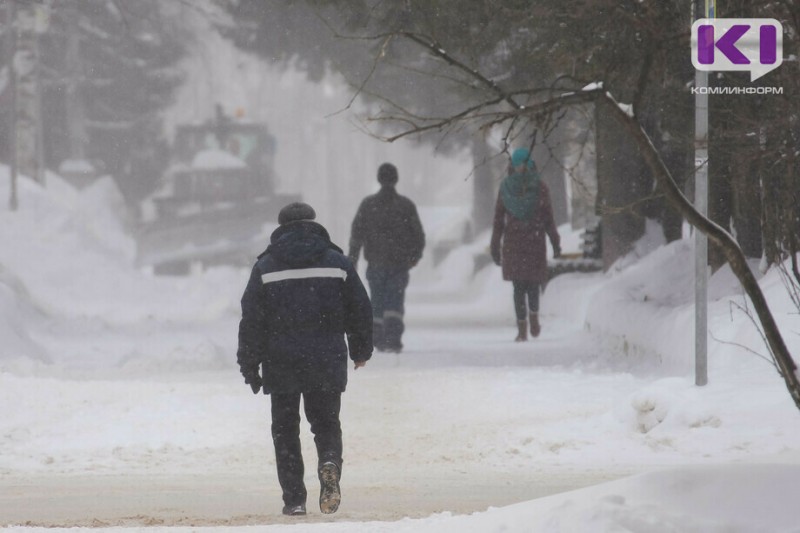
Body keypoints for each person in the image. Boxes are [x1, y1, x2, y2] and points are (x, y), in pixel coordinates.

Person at [236, 202, 373, 517]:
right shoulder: (337, 263)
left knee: (285, 429)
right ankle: (329, 461)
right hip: (326, 358)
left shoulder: (266, 267)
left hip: (281, 360)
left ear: (281, 228)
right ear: (313, 224)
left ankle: (295, 499)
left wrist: (249, 364)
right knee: (325, 424)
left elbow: (252, 319)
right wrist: (360, 349)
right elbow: (360, 308)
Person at [348, 163, 425, 353]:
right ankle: (393, 338)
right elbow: (418, 236)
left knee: (377, 301)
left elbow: (356, 234)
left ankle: (377, 338)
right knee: (395, 301)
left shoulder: (368, 205)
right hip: (399, 264)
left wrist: (353, 259)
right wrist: (414, 257)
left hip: (375, 262)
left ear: (379, 179)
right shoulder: (405, 206)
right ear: (396, 179)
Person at [490, 147, 561, 342]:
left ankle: (522, 329)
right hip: (534, 241)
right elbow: (549, 220)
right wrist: (555, 243)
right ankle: (534, 318)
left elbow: (498, 221)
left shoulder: (505, 188)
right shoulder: (540, 187)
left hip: (513, 243)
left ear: (512, 166)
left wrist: (495, 247)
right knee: (533, 284)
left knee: (518, 287)